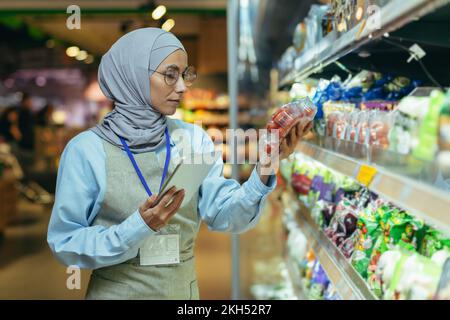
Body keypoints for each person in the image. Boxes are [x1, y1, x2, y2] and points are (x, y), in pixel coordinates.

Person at [47, 28, 311, 300]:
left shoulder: (194, 140)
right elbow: (66, 243)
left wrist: (266, 165)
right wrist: (137, 227)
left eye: (185, 75)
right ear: (133, 75)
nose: (183, 87)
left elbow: (225, 215)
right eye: (170, 75)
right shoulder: (86, 151)